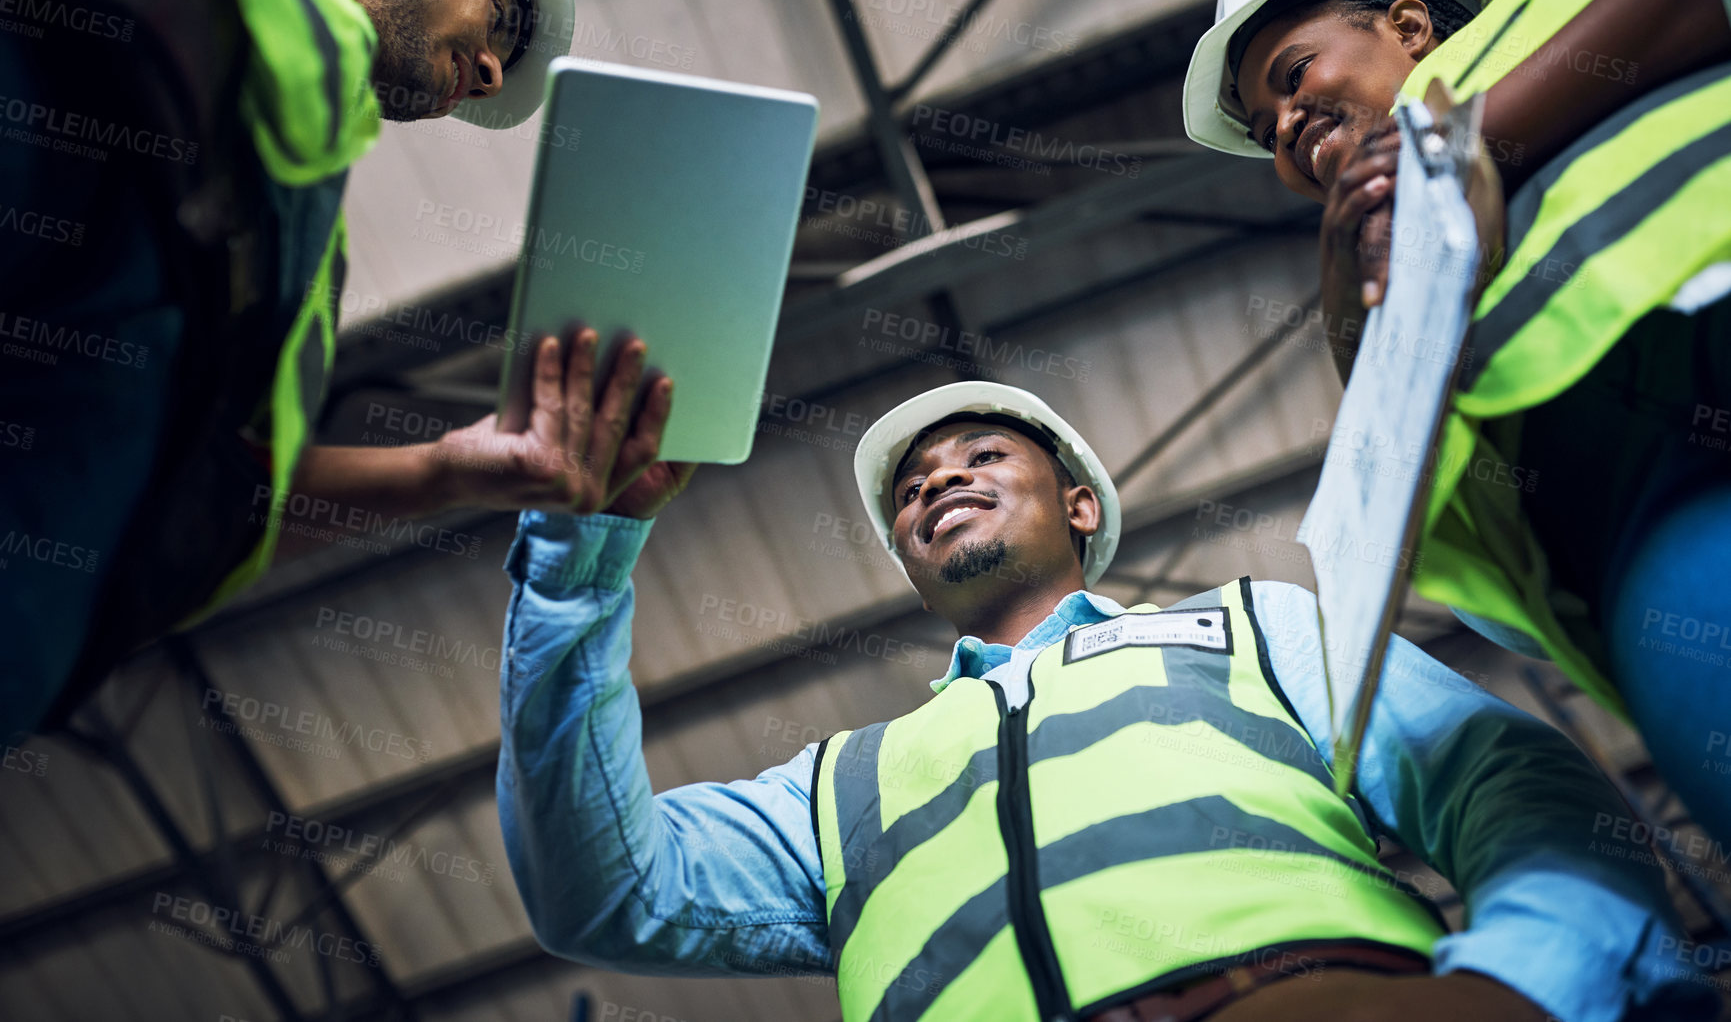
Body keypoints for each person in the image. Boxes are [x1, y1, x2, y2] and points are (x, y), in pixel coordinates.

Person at [496, 377, 1713, 1021]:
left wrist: (1534, 978)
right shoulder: (831, 786)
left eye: (982, 458)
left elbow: (1503, 781)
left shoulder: (1251, 624)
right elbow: (598, 888)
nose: (939, 484)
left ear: (1081, 506)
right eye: (916, 486)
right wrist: (577, 556)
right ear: (911, 566)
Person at [1181, 0, 1731, 843]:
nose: (1288, 130)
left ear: (1407, 25)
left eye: (1294, 76)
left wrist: (1481, 144)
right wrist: (1360, 323)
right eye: (1268, 133)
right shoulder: (1381, 285)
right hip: (1656, 545)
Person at [0, 0, 602, 738]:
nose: (484, 72)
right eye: (498, 20)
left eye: (496, 71)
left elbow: (224, 487)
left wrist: (443, 472)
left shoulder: (309, 271)